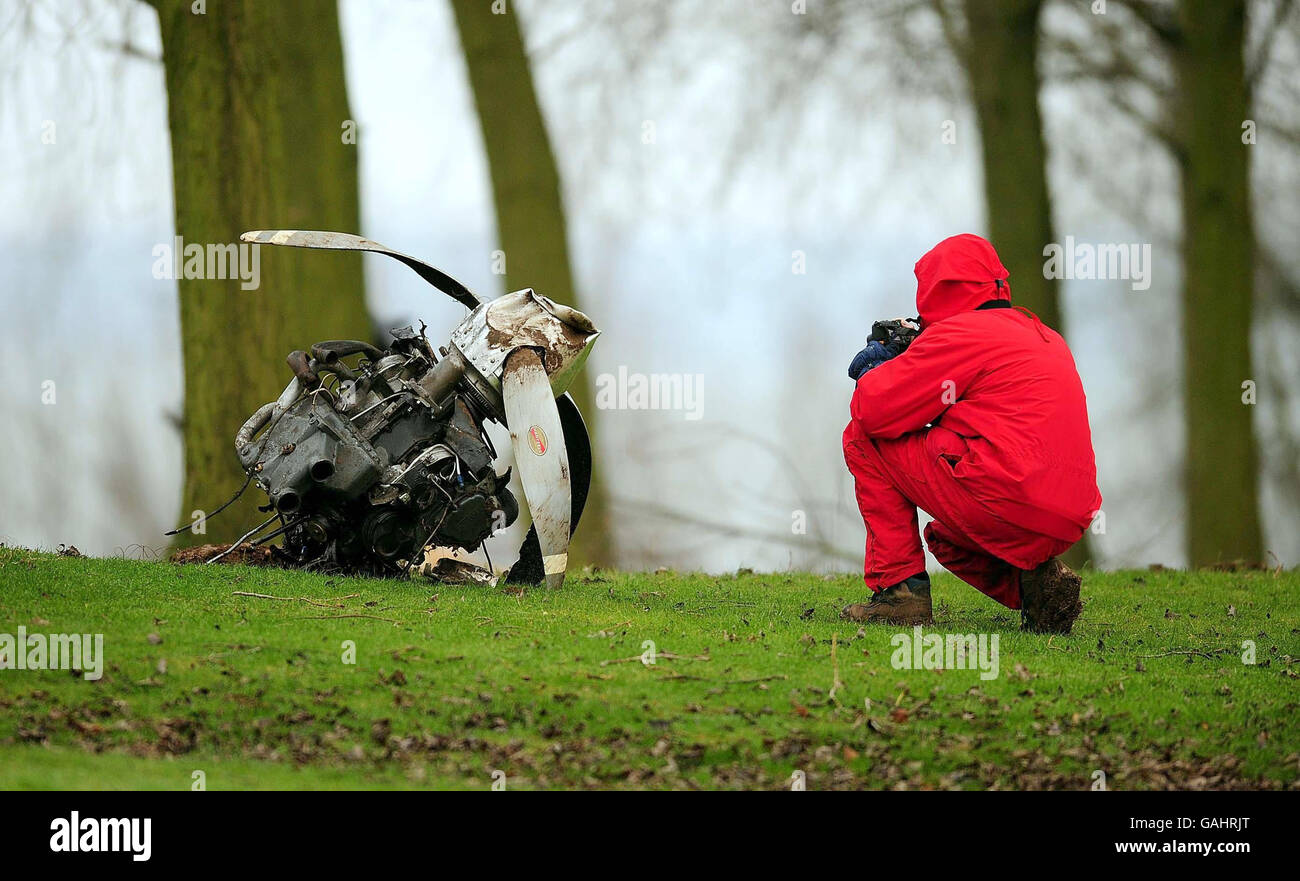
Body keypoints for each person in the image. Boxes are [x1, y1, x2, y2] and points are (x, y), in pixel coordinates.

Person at [842, 234, 1101, 634]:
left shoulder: (960, 335)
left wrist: (878, 369)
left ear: (936, 290)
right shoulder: (1043, 335)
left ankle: (900, 594)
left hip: (1007, 494)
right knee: (947, 539)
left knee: (861, 438)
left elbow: (876, 414)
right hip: (1069, 513)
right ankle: (1038, 587)